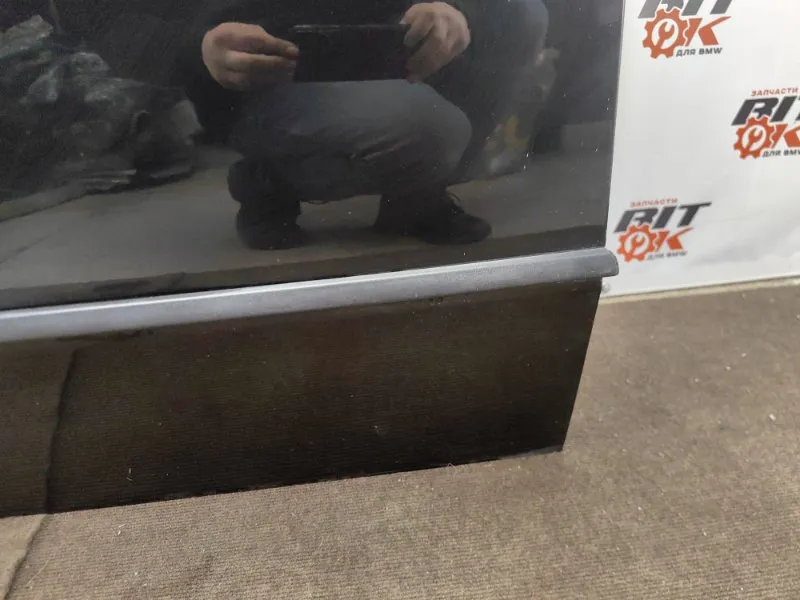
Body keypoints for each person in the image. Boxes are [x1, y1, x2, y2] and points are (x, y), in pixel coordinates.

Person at [181, 0, 549, 250]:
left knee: (520, 12)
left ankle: (418, 197)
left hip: (384, 46)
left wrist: (454, 8)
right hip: (270, 75)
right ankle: (270, 181)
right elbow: (157, 23)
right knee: (432, 127)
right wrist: (203, 45)